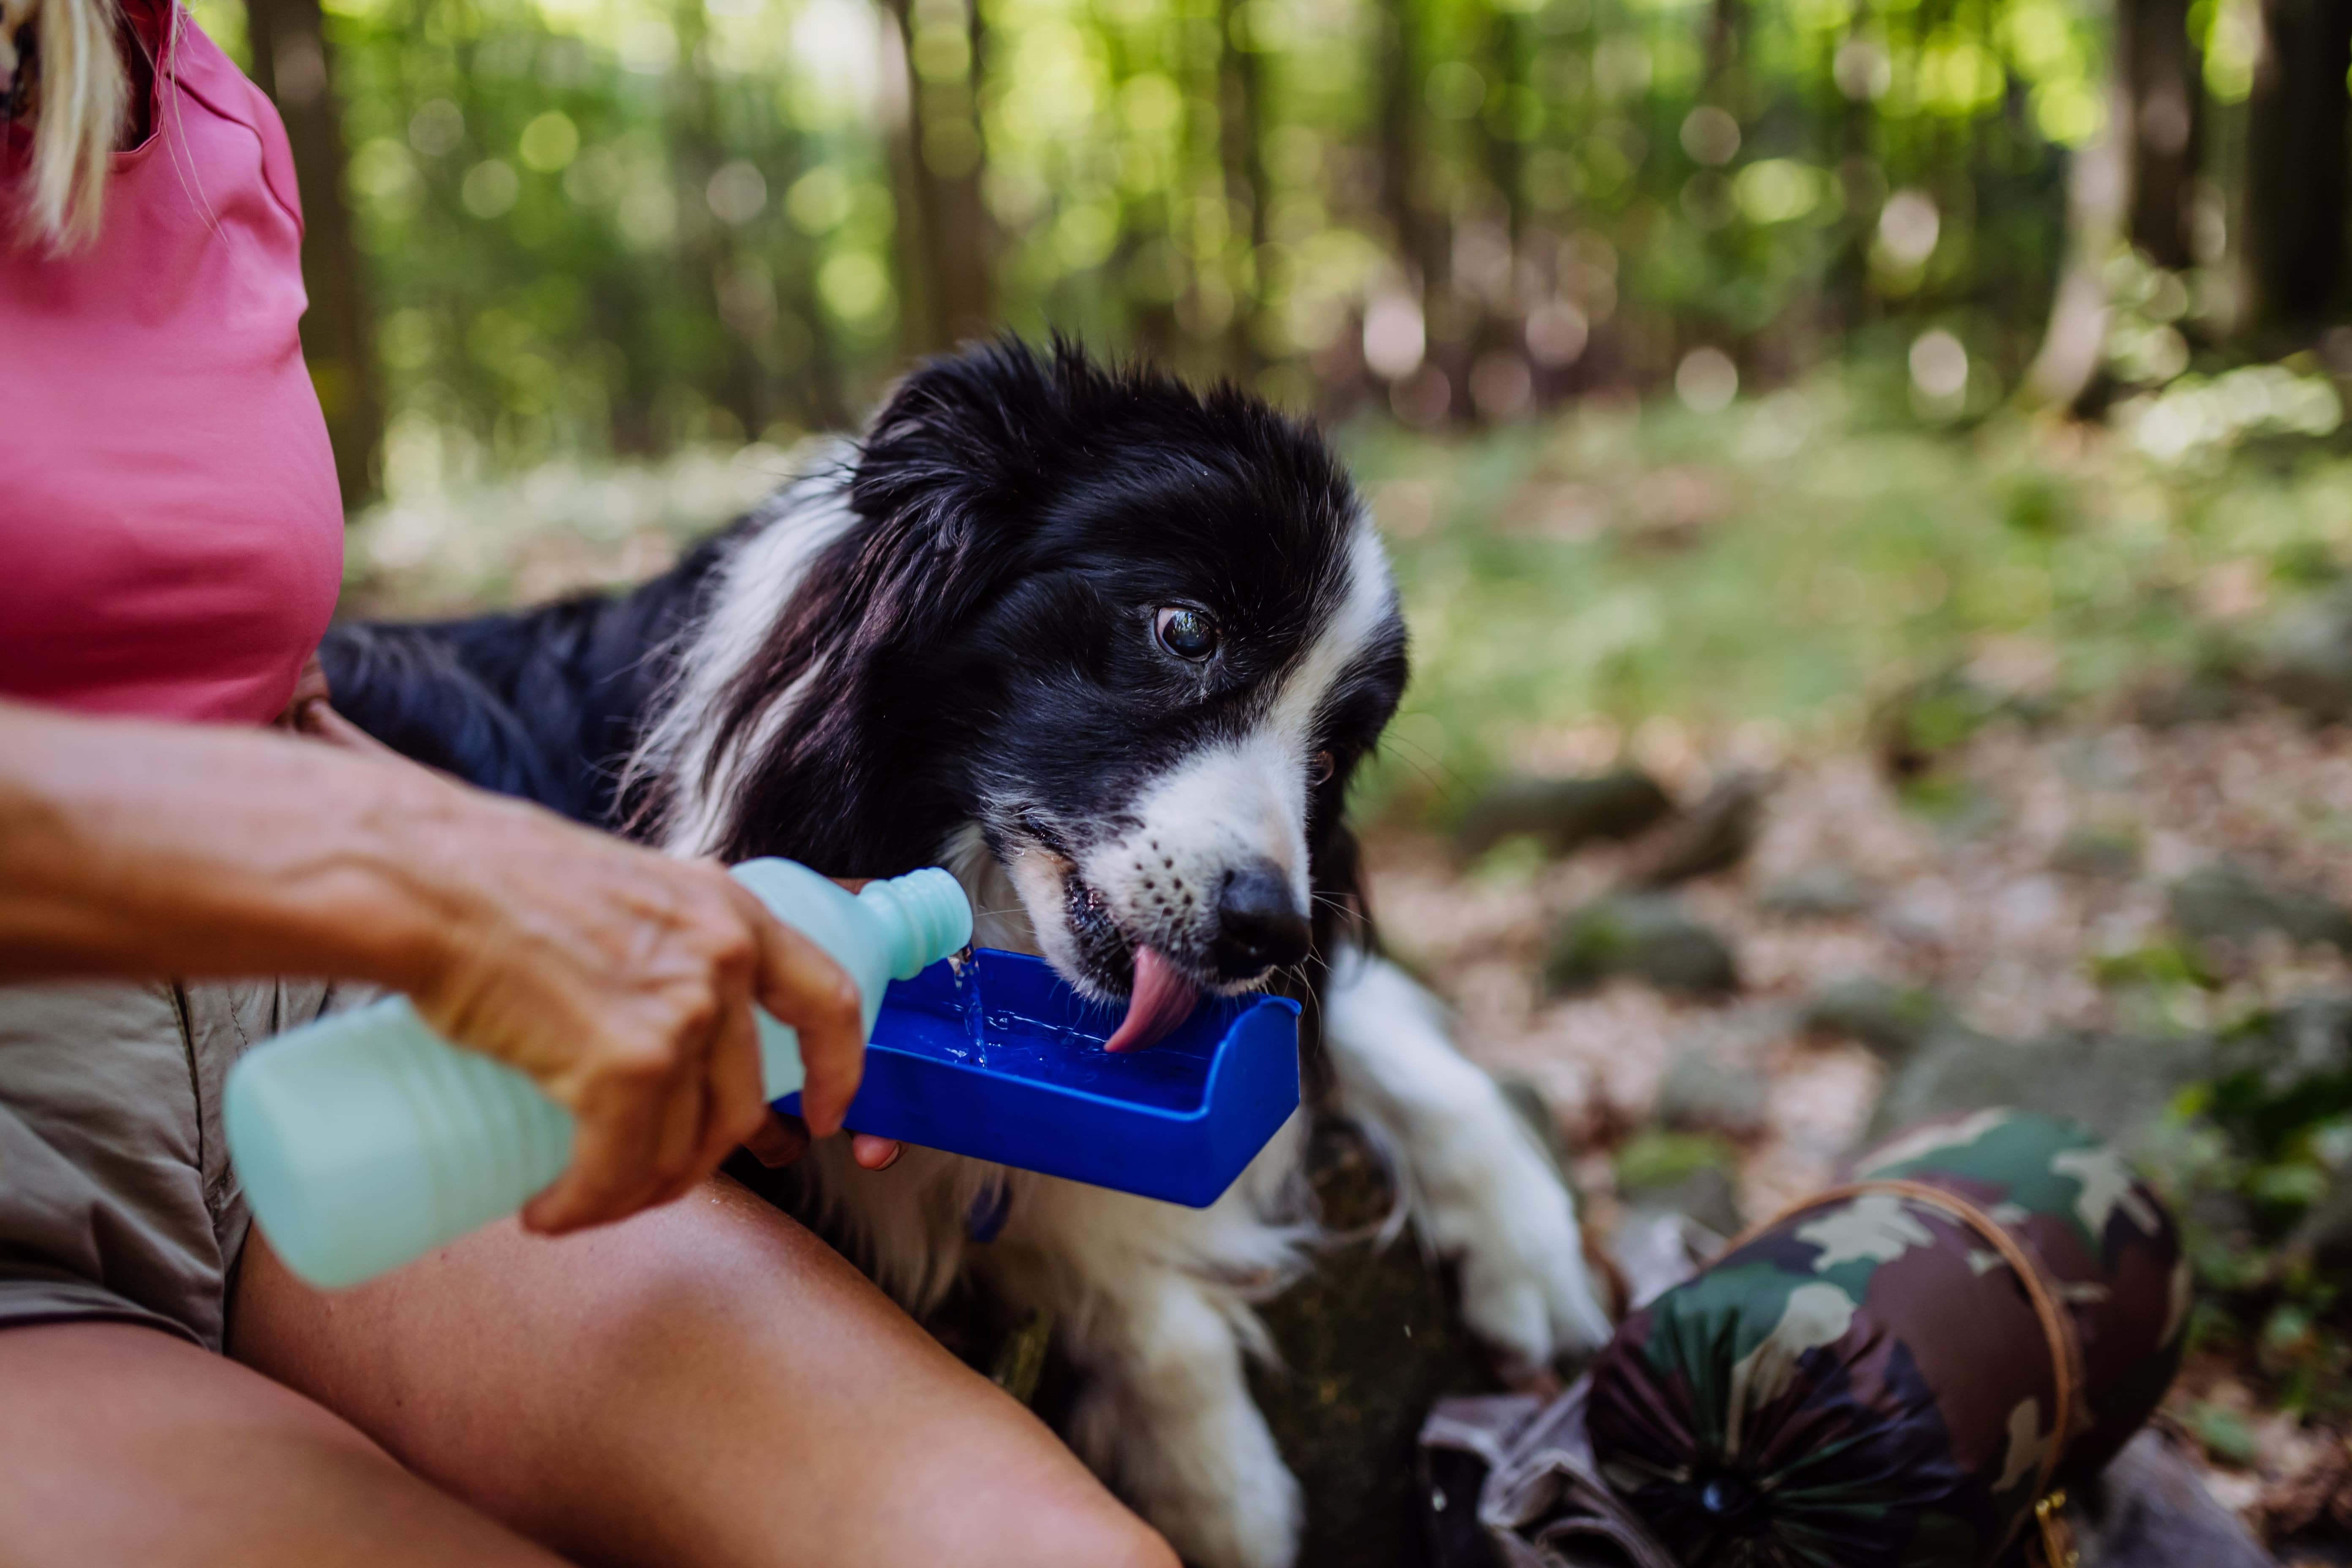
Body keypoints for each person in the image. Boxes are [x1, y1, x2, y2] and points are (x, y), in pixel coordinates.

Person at [0, 3, 1177, 1564]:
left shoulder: (198, 93)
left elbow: (254, 695)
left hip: (321, 1021)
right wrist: (425, 880)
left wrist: (636, 914)